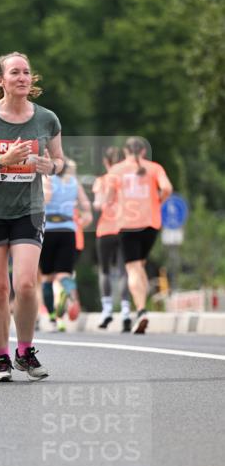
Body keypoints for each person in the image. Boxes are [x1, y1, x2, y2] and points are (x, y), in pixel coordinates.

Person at [0, 51, 64, 381]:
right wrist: (3, 161)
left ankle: (25, 351)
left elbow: (60, 161)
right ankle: (2, 357)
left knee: (25, 283)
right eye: (15, 72)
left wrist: (53, 166)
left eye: (26, 72)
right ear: (0, 80)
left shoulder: (46, 119)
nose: (22, 78)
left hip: (28, 211)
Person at [106, 137, 172, 334]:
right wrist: (157, 202)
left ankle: (141, 310)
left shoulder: (116, 170)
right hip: (151, 223)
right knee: (140, 264)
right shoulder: (154, 168)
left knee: (133, 268)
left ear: (126, 151)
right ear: (143, 151)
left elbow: (109, 198)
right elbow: (167, 188)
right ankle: (142, 307)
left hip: (128, 223)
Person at [40, 158, 92, 331]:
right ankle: (69, 293)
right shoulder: (74, 184)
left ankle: (53, 318)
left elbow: (44, 200)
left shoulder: (48, 180)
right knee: (63, 275)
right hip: (69, 230)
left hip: (48, 230)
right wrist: (83, 218)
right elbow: (86, 207)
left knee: (47, 278)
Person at [92, 147, 132, 331]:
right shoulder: (128, 181)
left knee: (105, 270)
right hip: (125, 227)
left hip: (106, 229)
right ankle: (125, 311)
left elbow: (99, 205)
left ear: (106, 162)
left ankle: (107, 310)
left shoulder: (102, 181)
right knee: (125, 271)